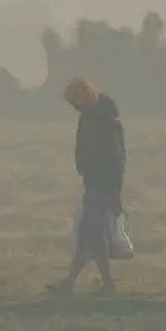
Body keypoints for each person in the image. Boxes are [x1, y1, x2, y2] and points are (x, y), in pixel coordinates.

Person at [47, 77, 126, 297]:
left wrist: (114, 192)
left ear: (84, 97)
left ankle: (72, 283)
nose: (73, 107)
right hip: (95, 182)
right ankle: (104, 284)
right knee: (93, 234)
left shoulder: (102, 121)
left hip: (102, 184)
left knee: (89, 233)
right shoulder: (94, 117)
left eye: (75, 101)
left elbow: (115, 159)